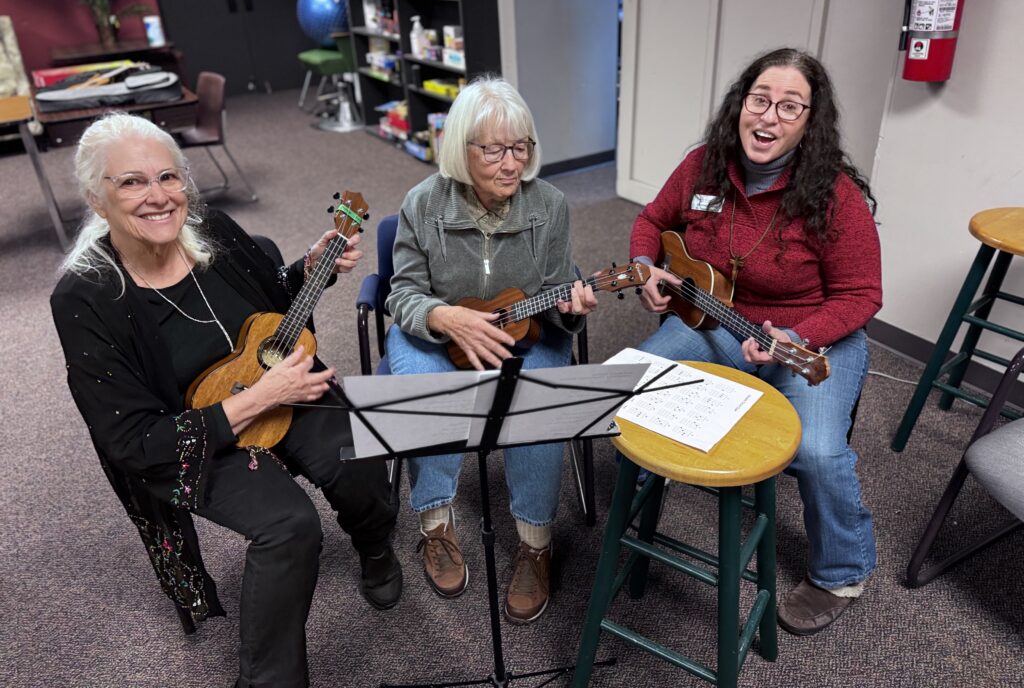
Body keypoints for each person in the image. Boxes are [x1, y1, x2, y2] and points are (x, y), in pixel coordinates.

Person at [50, 112, 401, 687]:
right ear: (96, 197)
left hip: (273, 386)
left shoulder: (209, 227)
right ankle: (268, 680)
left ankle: (375, 544)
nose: (159, 197)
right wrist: (260, 398)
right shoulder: (86, 297)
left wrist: (311, 271)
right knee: (289, 525)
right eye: (132, 182)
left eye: (169, 177)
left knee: (355, 453)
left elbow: (274, 307)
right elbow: (134, 442)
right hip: (190, 433)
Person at [630, 48, 881, 636]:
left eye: (789, 108)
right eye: (760, 100)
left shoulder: (833, 196)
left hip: (813, 339)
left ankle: (842, 571)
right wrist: (646, 267)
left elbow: (861, 294)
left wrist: (801, 334)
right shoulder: (702, 167)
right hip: (713, 322)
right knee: (627, 383)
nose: (768, 118)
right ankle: (643, 488)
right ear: (741, 105)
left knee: (818, 452)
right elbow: (650, 221)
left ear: (809, 122)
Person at [385, 76, 596, 624]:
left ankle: (534, 542)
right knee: (427, 393)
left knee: (542, 400)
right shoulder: (422, 203)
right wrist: (443, 315)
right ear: (461, 148)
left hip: (524, 329)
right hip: (438, 328)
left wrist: (566, 311)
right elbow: (402, 292)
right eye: (495, 149)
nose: (511, 164)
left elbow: (555, 286)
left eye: (521, 147)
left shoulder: (548, 205)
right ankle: (435, 525)